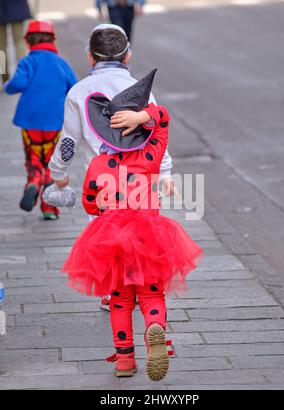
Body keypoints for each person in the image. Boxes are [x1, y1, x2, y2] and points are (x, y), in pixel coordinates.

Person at [62, 70, 203, 381]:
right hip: (148, 233)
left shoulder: (99, 166)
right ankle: (155, 329)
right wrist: (143, 116)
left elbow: (89, 203)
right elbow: (163, 118)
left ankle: (125, 360)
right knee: (152, 293)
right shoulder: (150, 156)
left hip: (111, 236)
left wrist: (99, 204)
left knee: (120, 299)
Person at [49, 24, 175, 308]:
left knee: (107, 238)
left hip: (102, 182)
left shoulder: (79, 92)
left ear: (90, 57)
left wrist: (58, 174)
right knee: (141, 234)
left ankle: (114, 294)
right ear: (127, 56)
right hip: (141, 178)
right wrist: (165, 170)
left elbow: (69, 141)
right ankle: (147, 296)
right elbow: (157, 132)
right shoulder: (141, 91)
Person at [5, 20, 77, 220]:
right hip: (55, 123)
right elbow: (75, 87)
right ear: (53, 40)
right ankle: (49, 209)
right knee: (53, 163)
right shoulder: (61, 63)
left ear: (28, 42)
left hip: (30, 123)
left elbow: (16, 84)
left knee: (34, 159)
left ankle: (33, 182)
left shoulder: (27, 62)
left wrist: (9, 85)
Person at [0, 0, 32, 83]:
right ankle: (22, 74)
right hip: (16, 5)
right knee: (19, 42)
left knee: (1, 46)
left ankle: (4, 77)